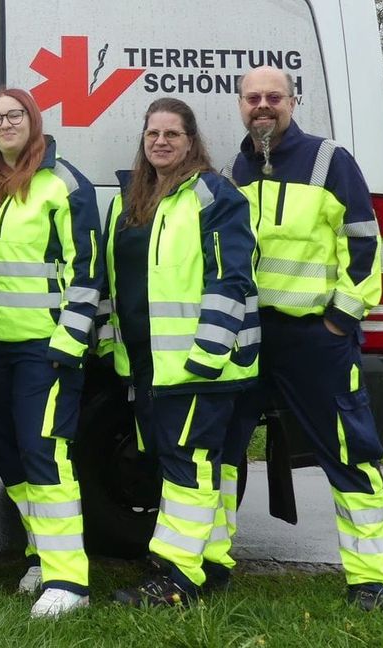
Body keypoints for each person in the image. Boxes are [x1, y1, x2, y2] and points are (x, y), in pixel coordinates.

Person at [220, 66, 383, 611]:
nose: (263, 106)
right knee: (224, 451)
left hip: (314, 338)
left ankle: (369, 579)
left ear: (293, 102)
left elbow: (366, 247)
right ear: (240, 105)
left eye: (274, 97)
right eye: (254, 98)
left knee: (348, 451)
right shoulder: (238, 166)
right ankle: (211, 562)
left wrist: (340, 321)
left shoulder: (328, 160)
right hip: (250, 336)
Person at [99, 97, 260, 607]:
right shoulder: (130, 199)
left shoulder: (215, 196)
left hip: (197, 364)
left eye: (172, 133)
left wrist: (207, 356)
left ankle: (177, 577)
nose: (161, 141)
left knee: (187, 465)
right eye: (153, 134)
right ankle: (209, 563)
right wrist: (111, 346)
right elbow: (110, 279)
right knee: (183, 463)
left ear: (192, 141)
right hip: (148, 362)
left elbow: (230, 279)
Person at [0, 88, 102, 617]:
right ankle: (42, 553)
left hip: (43, 351)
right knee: (9, 456)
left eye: (15, 114)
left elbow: (86, 270)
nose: (5, 124)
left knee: (46, 455)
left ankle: (70, 581)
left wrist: (66, 344)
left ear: (34, 120)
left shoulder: (63, 184)